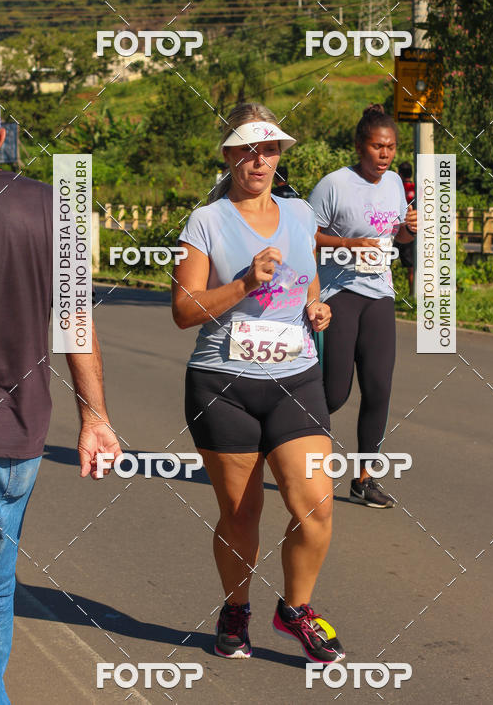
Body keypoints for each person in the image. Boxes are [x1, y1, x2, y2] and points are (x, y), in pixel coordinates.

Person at [0, 79, 121, 704]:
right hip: (23, 438)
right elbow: (76, 322)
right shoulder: (55, 208)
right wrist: (95, 417)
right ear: (0, 138)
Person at [172, 102, 344, 664]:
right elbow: (184, 308)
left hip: (296, 377)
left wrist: (316, 307)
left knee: (316, 506)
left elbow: (309, 278)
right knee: (242, 515)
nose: (260, 160)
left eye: (269, 150)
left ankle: (296, 609)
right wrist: (246, 280)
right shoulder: (207, 221)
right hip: (224, 382)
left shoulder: (299, 213)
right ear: (229, 156)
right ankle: (236, 608)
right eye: (248, 150)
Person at [308, 104, 417, 508]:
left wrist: (406, 231)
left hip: (379, 295)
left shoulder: (393, 184)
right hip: (338, 294)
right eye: (376, 147)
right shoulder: (334, 185)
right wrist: (351, 246)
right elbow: (305, 235)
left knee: (379, 389)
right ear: (359, 146)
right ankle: (294, 449)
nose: (384, 154)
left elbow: (396, 242)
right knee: (334, 393)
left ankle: (364, 478)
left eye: (389, 147)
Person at [395, 161, 416, 296]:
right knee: (411, 267)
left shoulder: (397, 187)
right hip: (410, 229)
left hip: (395, 228)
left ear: (399, 173)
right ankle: (411, 294)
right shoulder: (415, 188)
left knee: (384, 264)